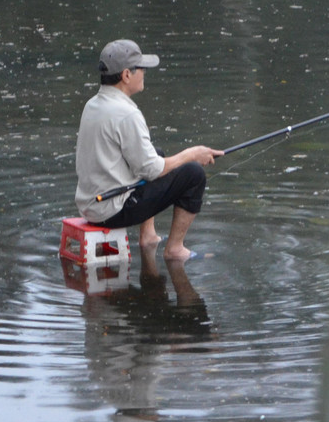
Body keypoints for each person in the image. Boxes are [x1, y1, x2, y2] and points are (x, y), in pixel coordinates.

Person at [75, 39, 223, 261]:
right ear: (126, 75)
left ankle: (148, 236)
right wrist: (192, 154)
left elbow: (148, 162)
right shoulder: (127, 114)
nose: (144, 73)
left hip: (89, 205)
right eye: (141, 68)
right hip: (112, 211)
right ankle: (175, 250)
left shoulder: (93, 104)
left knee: (157, 151)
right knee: (194, 174)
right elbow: (152, 170)